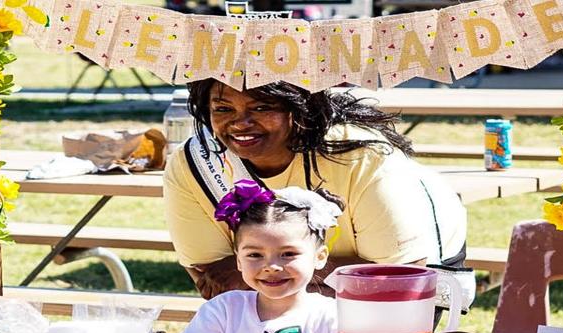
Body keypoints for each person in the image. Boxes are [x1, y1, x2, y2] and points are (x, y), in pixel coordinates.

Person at [164, 80, 470, 311]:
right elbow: (213, 278)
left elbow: (398, 283)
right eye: (222, 109)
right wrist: (341, 271)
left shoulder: (363, 156)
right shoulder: (193, 162)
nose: (241, 123)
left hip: (426, 261)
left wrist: (263, 267)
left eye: (261, 107)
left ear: (298, 108)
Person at [168, 180, 341, 333]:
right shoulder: (225, 308)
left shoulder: (333, 313)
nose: (271, 267)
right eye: (254, 255)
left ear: (319, 257)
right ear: (238, 261)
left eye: (288, 254)